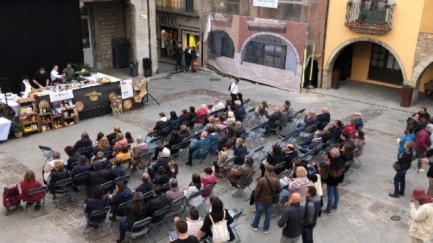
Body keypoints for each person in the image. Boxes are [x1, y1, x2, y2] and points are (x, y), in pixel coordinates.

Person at [251, 165, 281, 234]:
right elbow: (279, 190)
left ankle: (255, 225)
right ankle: (266, 229)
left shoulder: (262, 180)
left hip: (261, 200)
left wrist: (256, 198)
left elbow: (257, 191)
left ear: (266, 171)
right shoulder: (276, 180)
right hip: (270, 201)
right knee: (268, 215)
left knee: (258, 213)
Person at [324, 148, 345, 215]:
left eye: (331, 153)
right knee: (336, 193)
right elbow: (342, 172)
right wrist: (339, 182)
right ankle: (335, 206)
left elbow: (331, 174)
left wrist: (327, 165)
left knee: (330, 196)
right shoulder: (341, 160)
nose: (330, 153)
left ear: (333, 155)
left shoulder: (333, 164)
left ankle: (328, 210)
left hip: (331, 181)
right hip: (338, 180)